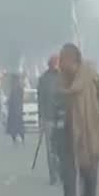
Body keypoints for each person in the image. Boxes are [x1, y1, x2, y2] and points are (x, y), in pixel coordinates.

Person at [55, 43, 99, 196]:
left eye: (64, 60)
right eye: (60, 60)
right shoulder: (59, 82)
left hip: (90, 137)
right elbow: (54, 107)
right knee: (68, 183)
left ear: (75, 61)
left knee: (91, 180)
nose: (61, 64)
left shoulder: (91, 77)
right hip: (66, 138)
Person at [38, 55, 61, 185]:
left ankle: (60, 171)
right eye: (54, 63)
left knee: (60, 148)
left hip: (61, 118)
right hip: (48, 118)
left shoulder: (63, 78)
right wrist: (40, 119)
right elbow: (40, 101)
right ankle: (53, 174)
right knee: (50, 149)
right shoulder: (43, 79)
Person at [6, 73, 25, 145]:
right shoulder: (13, 89)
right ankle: (14, 137)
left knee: (19, 124)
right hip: (13, 110)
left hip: (17, 109)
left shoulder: (19, 89)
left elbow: (20, 99)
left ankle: (21, 136)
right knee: (13, 125)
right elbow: (10, 99)